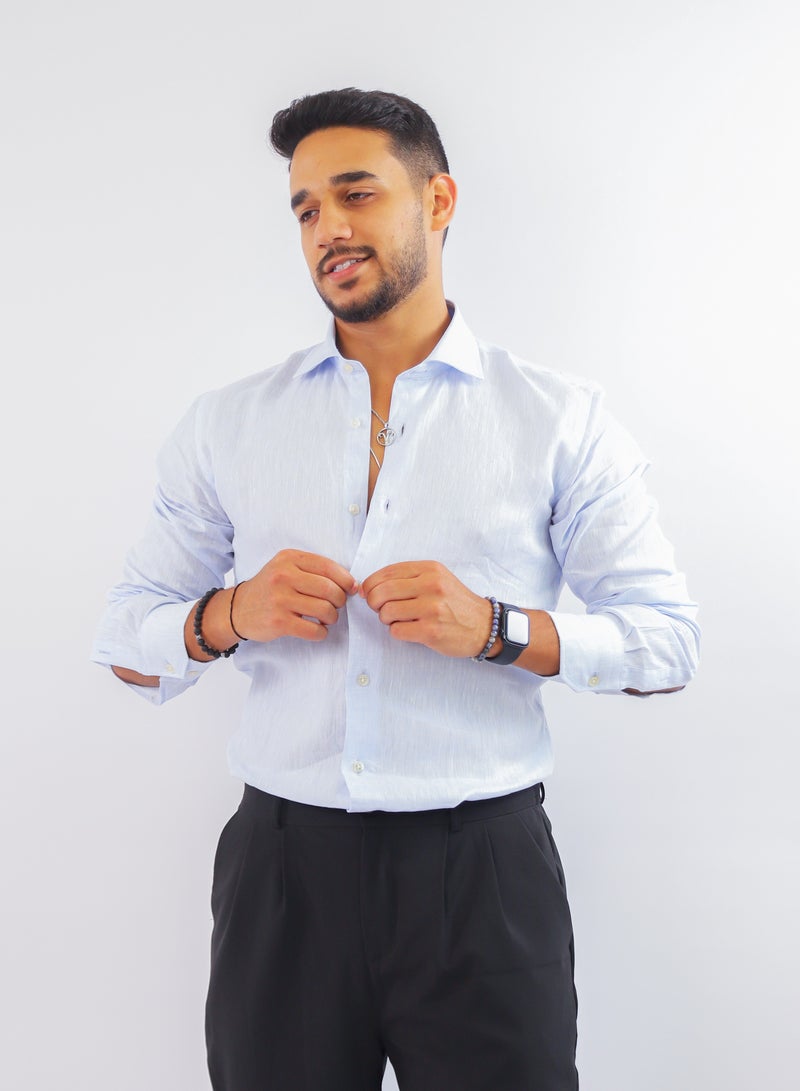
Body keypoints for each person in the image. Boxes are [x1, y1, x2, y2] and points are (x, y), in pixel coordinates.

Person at [92, 88, 699, 1091]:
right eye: (304, 208)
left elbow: (666, 641)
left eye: (356, 193)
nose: (326, 228)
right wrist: (229, 613)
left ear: (438, 199)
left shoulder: (559, 419)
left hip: (482, 873)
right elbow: (125, 639)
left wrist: (497, 627)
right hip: (282, 874)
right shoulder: (228, 423)